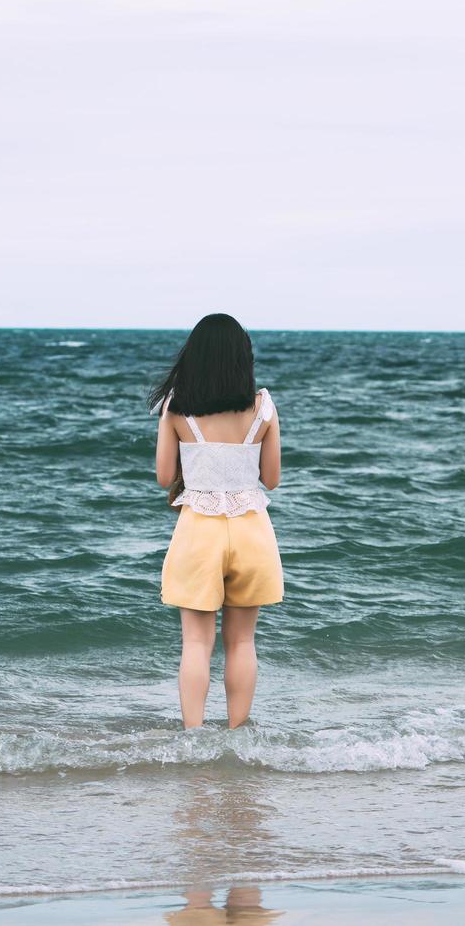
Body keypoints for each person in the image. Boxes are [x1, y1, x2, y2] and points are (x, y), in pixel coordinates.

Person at [149, 313, 283, 730]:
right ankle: (236, 735)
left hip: (199, 529)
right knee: (242, 641)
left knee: (196, 642)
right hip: (251, 530)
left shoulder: (177, 407)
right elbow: (272, 480)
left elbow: (163, 477)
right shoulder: (263, 405)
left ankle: (193, 739)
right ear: (242, 357)